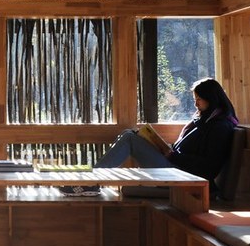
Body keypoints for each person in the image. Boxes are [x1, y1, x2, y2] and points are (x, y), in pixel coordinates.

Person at [61, 78, 238, 197]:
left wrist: (172, 156)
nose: (196, 103)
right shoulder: (205, 120)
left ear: (212, 99)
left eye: (199, 99)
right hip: (176, 167)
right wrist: (159, 145)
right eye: (195, 98)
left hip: (185, 177)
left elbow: (209, 168)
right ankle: (92, 180)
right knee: (129, 134)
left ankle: (92, 182)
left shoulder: (220, 127)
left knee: (130, 140)